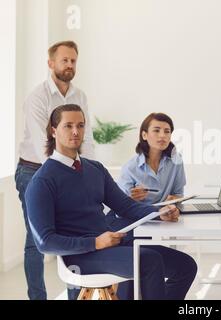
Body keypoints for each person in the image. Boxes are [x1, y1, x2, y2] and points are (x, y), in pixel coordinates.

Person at [25, 104, 197, 300]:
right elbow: (45, 242)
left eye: (81, 125)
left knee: (185, 266)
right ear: (54, 131)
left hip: (109, 244)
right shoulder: (42, 181)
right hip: (80, 257)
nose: (76, 131)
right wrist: (95, 242)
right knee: (150, 261)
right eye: (68, 126)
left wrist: (159, 213)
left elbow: (126, 205)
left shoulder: (95, 169)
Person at [15, 41, 95, 300]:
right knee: (37, 241)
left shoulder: (80, 96)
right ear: (51, 63)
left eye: (73, 60)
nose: (70, 65)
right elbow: (43, 146)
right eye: (64, 60)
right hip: (33, 172)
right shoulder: (37, 98)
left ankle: (75, 295)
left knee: (71, 232)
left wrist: (89, 171)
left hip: (68, 170)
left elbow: (87, 138)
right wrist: (72, 171)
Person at [117, 113, 186, 205]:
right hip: (139, 217)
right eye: (156, 130)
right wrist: (133, 198)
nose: (162, 135)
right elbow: (121, 206)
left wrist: (173, 200)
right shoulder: (130, 168)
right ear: (144, 135)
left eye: (167, 131)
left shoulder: (176, 160)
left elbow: (178, 194)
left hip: (166, 216)